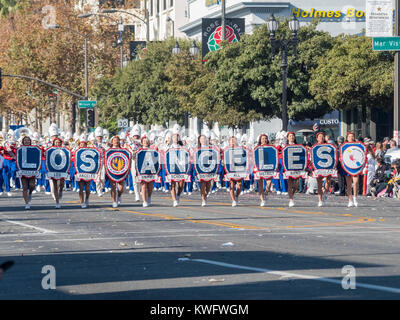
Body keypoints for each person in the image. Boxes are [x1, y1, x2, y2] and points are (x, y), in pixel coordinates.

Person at [343, 132, 362, 207]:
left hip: (355, 165)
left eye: (352, 136)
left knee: (356, 182)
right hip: (347, 166)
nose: (351, 137)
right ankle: (350, 199)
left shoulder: (357, 145)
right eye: (349, 136)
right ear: (347, 138)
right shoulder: (344, 145)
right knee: (348, 184)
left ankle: (355, 197)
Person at [314, 132, 333, 207]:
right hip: (318, 166)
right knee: (319, 183)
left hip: (327, 165)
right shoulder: (315, 146)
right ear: (317, 138)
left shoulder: (328, 146)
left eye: (322, 136)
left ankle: (325, 193)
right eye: (319, 136)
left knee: (328, 181)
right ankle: (320, 200)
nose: (321, 138)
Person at [108, 135, 127, 208]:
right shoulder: (108, 150)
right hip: (111, 170)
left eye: (117, 140)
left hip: (120, 170)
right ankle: (114, 201)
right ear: (112, 141)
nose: (116, 141)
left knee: (120, 188)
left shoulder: (123, 150)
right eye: (114, 140)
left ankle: (119, 195)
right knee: (113, 186)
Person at [19, 136, 37, 210]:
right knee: (25, 187)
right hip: (23, 170)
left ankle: (30, 193)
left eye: (28, 140)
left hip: (32, 169)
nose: (27, 141)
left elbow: (36, 158)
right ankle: (27, 203)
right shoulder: (19, 149)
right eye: (25, 140)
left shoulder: (34, 149)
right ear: (23, 142)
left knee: (32, 185)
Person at [75, 135, 92, 208]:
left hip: (88, 171)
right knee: (81, 188)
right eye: (81, 144)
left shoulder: (90, 151)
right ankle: (82, 202)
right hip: (79, 171)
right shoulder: (76, 151)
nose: (82, 145)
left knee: (88, 189)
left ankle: (87, 198)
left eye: (84, 144)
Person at [256, 134, 272, 207]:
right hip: (259, 167)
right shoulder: (257, 147)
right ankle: (262, 200)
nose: (264, 140)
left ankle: (266, 193)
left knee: (269, 182)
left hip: (268, 166)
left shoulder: (271, 147)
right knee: (260, 184)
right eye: (262, 138)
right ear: (260, 139)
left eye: (265, 138)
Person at [197, 134, 213, 207]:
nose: (203, 140)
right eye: (201, 139)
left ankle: (205, 195)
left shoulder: (210, 148)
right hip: (200, 168)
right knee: (202, 184)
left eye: (204, 139)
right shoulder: (197, 148)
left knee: (208, 185)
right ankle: (203, 199)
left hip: (209, 167)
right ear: (199, 140)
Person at [169, 131, 185, 207]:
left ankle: (178, 195)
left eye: (177, 137)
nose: (176, 138)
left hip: (181, 168)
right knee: (172, 184)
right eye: (174, 137)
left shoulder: (182, 147)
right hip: (171, 167)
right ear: (172, 138)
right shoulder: (169, 147)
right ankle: (174, 200)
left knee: (181, 184)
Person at [139, 135, 155, 207]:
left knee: (150, 186)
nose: (145, 142)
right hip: (142, 170)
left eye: (146, 141)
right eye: (144, 141)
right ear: (142, 143)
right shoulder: (139, 151)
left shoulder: (152, 150)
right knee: (143, 185)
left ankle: (149, 197)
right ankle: (144, 201)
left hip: (151, 169)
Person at [286, 132, 299, 207]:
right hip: (288, 167)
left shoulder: (298, 145)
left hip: (296, 166)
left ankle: (292, 195)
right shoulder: (285, 146)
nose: (291, 137)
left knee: (296, 185)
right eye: (290, 136)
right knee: (290, 183)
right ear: (287, 138)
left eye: (292, 136)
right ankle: (291, 199)